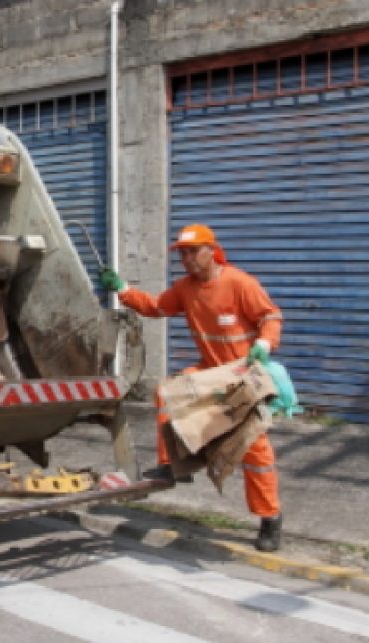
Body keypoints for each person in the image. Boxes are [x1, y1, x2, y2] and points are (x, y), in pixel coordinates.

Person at [99, 224, 284, 551]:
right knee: (167, 391)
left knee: (255, 452)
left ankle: (269, 518)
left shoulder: (239, 283)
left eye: (191, 251)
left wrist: (265, 345)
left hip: (241, 374)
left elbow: (270, 317)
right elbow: (155, 307)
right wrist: (123, 289)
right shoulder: (184, 288)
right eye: (181, 253)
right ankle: (173, 464)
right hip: (210, 372)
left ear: (211, 250)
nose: (185, 259)